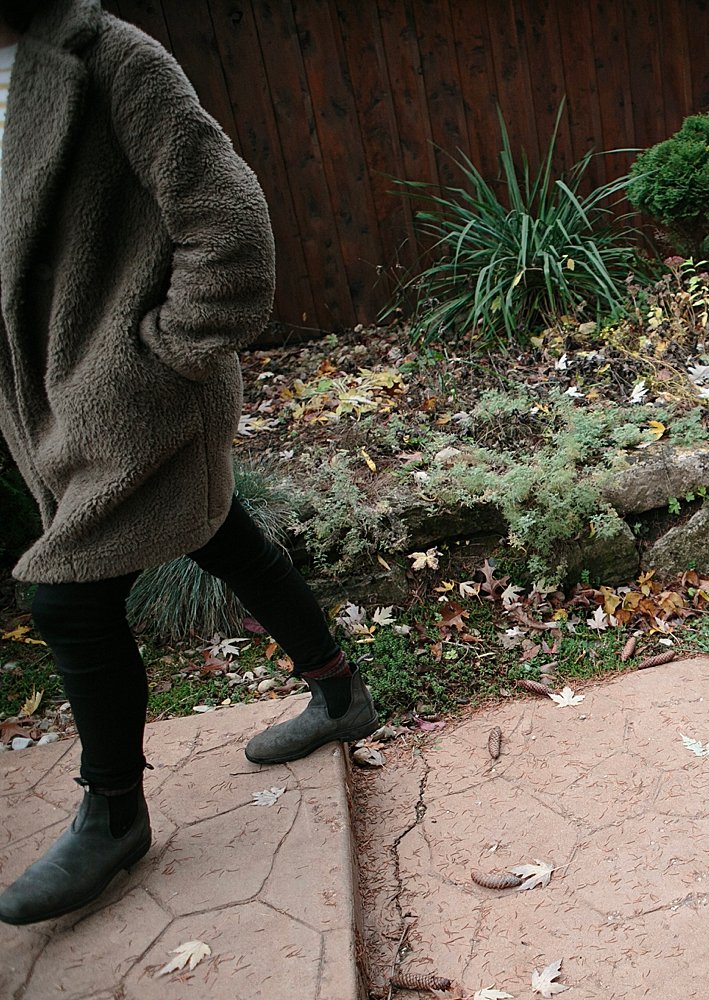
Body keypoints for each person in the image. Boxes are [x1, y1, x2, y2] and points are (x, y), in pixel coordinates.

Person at [0, 0, 377, 926]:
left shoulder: (108, 58)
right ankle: (339, 691)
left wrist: (160, 359)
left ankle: (113, 813)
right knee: (223, 537)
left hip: (133, 400)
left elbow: (231, 227)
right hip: (43, 408)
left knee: (66, 595)